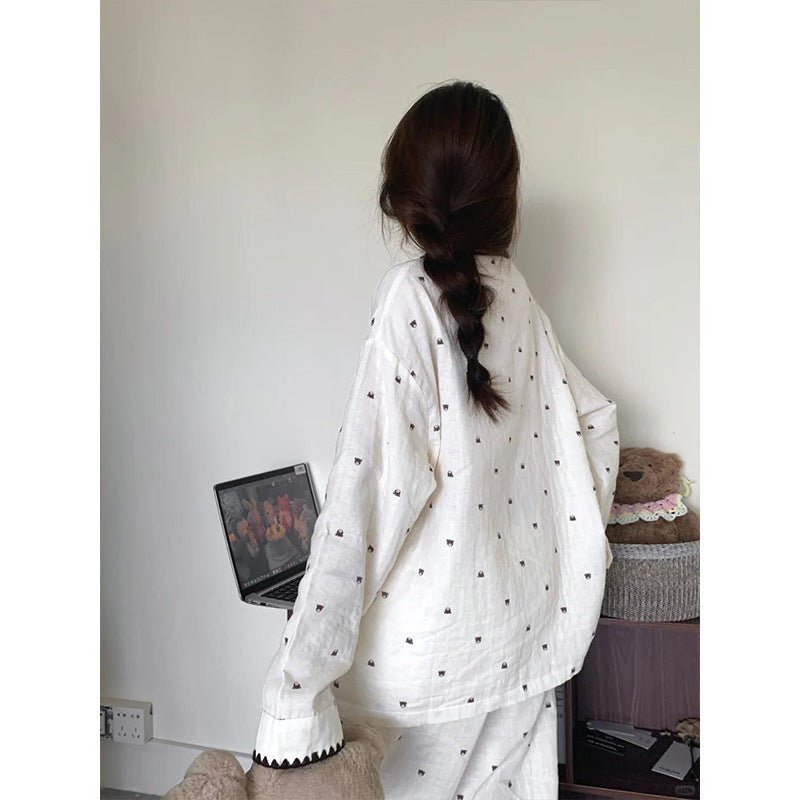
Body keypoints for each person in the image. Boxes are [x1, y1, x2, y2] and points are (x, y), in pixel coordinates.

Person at [251, 80, 620, 800]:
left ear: (400, 195)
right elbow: (595, 421)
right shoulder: (516, 294)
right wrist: (572, 557)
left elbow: (366, 500)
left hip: (424, 670)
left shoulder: (411, 297)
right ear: (505, 197)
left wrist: (294, 687)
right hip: (522, 643)